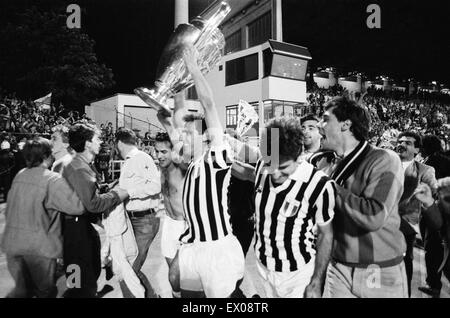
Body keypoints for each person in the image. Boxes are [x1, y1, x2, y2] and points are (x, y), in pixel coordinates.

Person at [167, 46, 245, 298]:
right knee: (187, 296)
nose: (182, 139)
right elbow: (169, 123)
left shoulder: (216, 156)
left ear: (204, 136)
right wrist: (163, 103)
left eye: (189, 134)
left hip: (216, 248)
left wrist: (193, 68)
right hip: (192, 246)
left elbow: (209, 105)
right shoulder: (191, 164)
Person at [233, 117, 335, 298]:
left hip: (297, 275)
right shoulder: (264, 166)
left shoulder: (318, 184)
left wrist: (317, 280)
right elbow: (248, 172)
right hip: (263, 267)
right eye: (271, 165)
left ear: (299, 156)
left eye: (284, 167)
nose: (275, 173)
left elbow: (326, 234)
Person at [318, 96, 407, 298]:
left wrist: (327, 186)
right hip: (337, 266)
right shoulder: (326, 163)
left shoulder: (384, 159)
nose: (318, 124)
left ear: (345, 124)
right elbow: (273, 163)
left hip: (378, 269)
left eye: (325, 119)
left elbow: (373, 216)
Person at [1, 138, 84, 297]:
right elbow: (77, 207)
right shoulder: (52, 179)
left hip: (13, 244)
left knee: (22, 291)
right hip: (38, 249)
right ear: (47, 155)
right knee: (44, 291)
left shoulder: (20, 175)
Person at [61, 122, 129, 298]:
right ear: (88, 143)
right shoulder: (78, 168)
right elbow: (93, 204)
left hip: (81, 227)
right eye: (97, 138)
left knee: (86, 274)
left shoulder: (81, 165)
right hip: (74, 231)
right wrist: (117, 194)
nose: (101, 141)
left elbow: (88, 193)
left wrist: (106, 188)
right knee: (78, 280)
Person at [114, 127, 161, 298]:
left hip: (145, 220)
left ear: (119, 142)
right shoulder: (130, 160)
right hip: (134, 220)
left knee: (129, 270)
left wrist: (129, 192)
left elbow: (156, 186)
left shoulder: (141, 158)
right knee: (129, 267)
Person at [396, 131, 437, 297]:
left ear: (417, 150)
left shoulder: (425, 170)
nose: (402, 144)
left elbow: (434, 191)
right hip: (380, 222)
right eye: (400, 141)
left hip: (405, 225)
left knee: (404, 263)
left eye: (408, 143)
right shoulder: (384, 162)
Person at [419, 134, 450, 296]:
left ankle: (434, 285)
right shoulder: (444, 159)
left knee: (432, 248)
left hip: (436, 210)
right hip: (439, 210)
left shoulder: (432, 162)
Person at [414, 177, 450, 292]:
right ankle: (433, 286)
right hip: (436, 239)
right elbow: (437, 222)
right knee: (433, 257)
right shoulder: (439, 206)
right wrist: (428, 203)